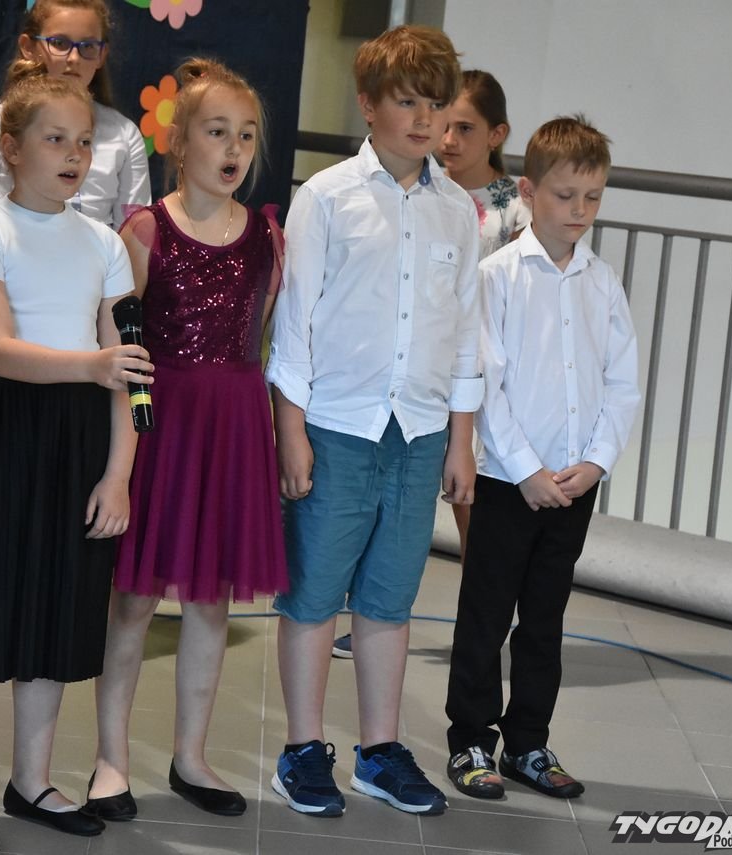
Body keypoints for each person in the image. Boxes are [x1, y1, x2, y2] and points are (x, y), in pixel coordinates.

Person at [0, 64, 151, 845]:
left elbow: (129, 372)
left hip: (83, 433)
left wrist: (118, 473)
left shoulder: (105, 244)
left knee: (60, 603)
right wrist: (93, 364)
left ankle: (31, 778)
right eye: (55, 139)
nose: (74, 155)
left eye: (84, 142)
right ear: (11, 148)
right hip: (3, 425)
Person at [265, 25, 478, 817]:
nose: (424, 119)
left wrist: (461, 438)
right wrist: (292, 430)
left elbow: (465, 330)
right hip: (336, 425)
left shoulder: (458, 211)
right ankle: (302, 748)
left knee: (389, 599)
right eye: (406, 101)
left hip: (420, 431)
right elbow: (295, 324)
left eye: (435, 104)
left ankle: (380, 750)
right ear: (368, 103)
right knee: (314, 593)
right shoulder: (326, 197)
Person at [88, 58, 286, 821]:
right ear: (179, 141)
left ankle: (191, 754)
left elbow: (260, 337)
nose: (234, 149)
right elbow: (120, 348)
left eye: (247, 135)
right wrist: (129, 452)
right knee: (134, 598)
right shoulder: (145, 232)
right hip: (161, 428)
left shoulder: (267, 237)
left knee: (212, 601)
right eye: (217, 132)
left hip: (232, 428)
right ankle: (110, 757)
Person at [444, 116, 639, 802]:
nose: (579, 210)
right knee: (486, 611)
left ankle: (528, 742)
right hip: (507, 482)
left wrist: (596, 462)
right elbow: (484, 382)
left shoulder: (602, 283)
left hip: (574, 484)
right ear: (528, 192)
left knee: (545, 618)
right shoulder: (497, 277)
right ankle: (471, 739)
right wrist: (526, 469)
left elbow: (623, 383)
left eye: (593, 196)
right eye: (564, 195)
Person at [333, 68, 529, 660]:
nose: (447, 137)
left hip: (491, 377)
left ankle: (486, 629)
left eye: (463, 126)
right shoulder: (421, 195)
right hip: (426, 379)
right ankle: (368, 613)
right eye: (446, 123)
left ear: (496, 134)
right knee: (404, 505)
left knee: (482, 513)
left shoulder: (514, 209)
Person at [0, 0, 149, 224]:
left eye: (88, 46)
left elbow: (134, 233)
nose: (74, 58)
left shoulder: (124, 134)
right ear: (29, 47)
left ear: (102, 54)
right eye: (60, 43)